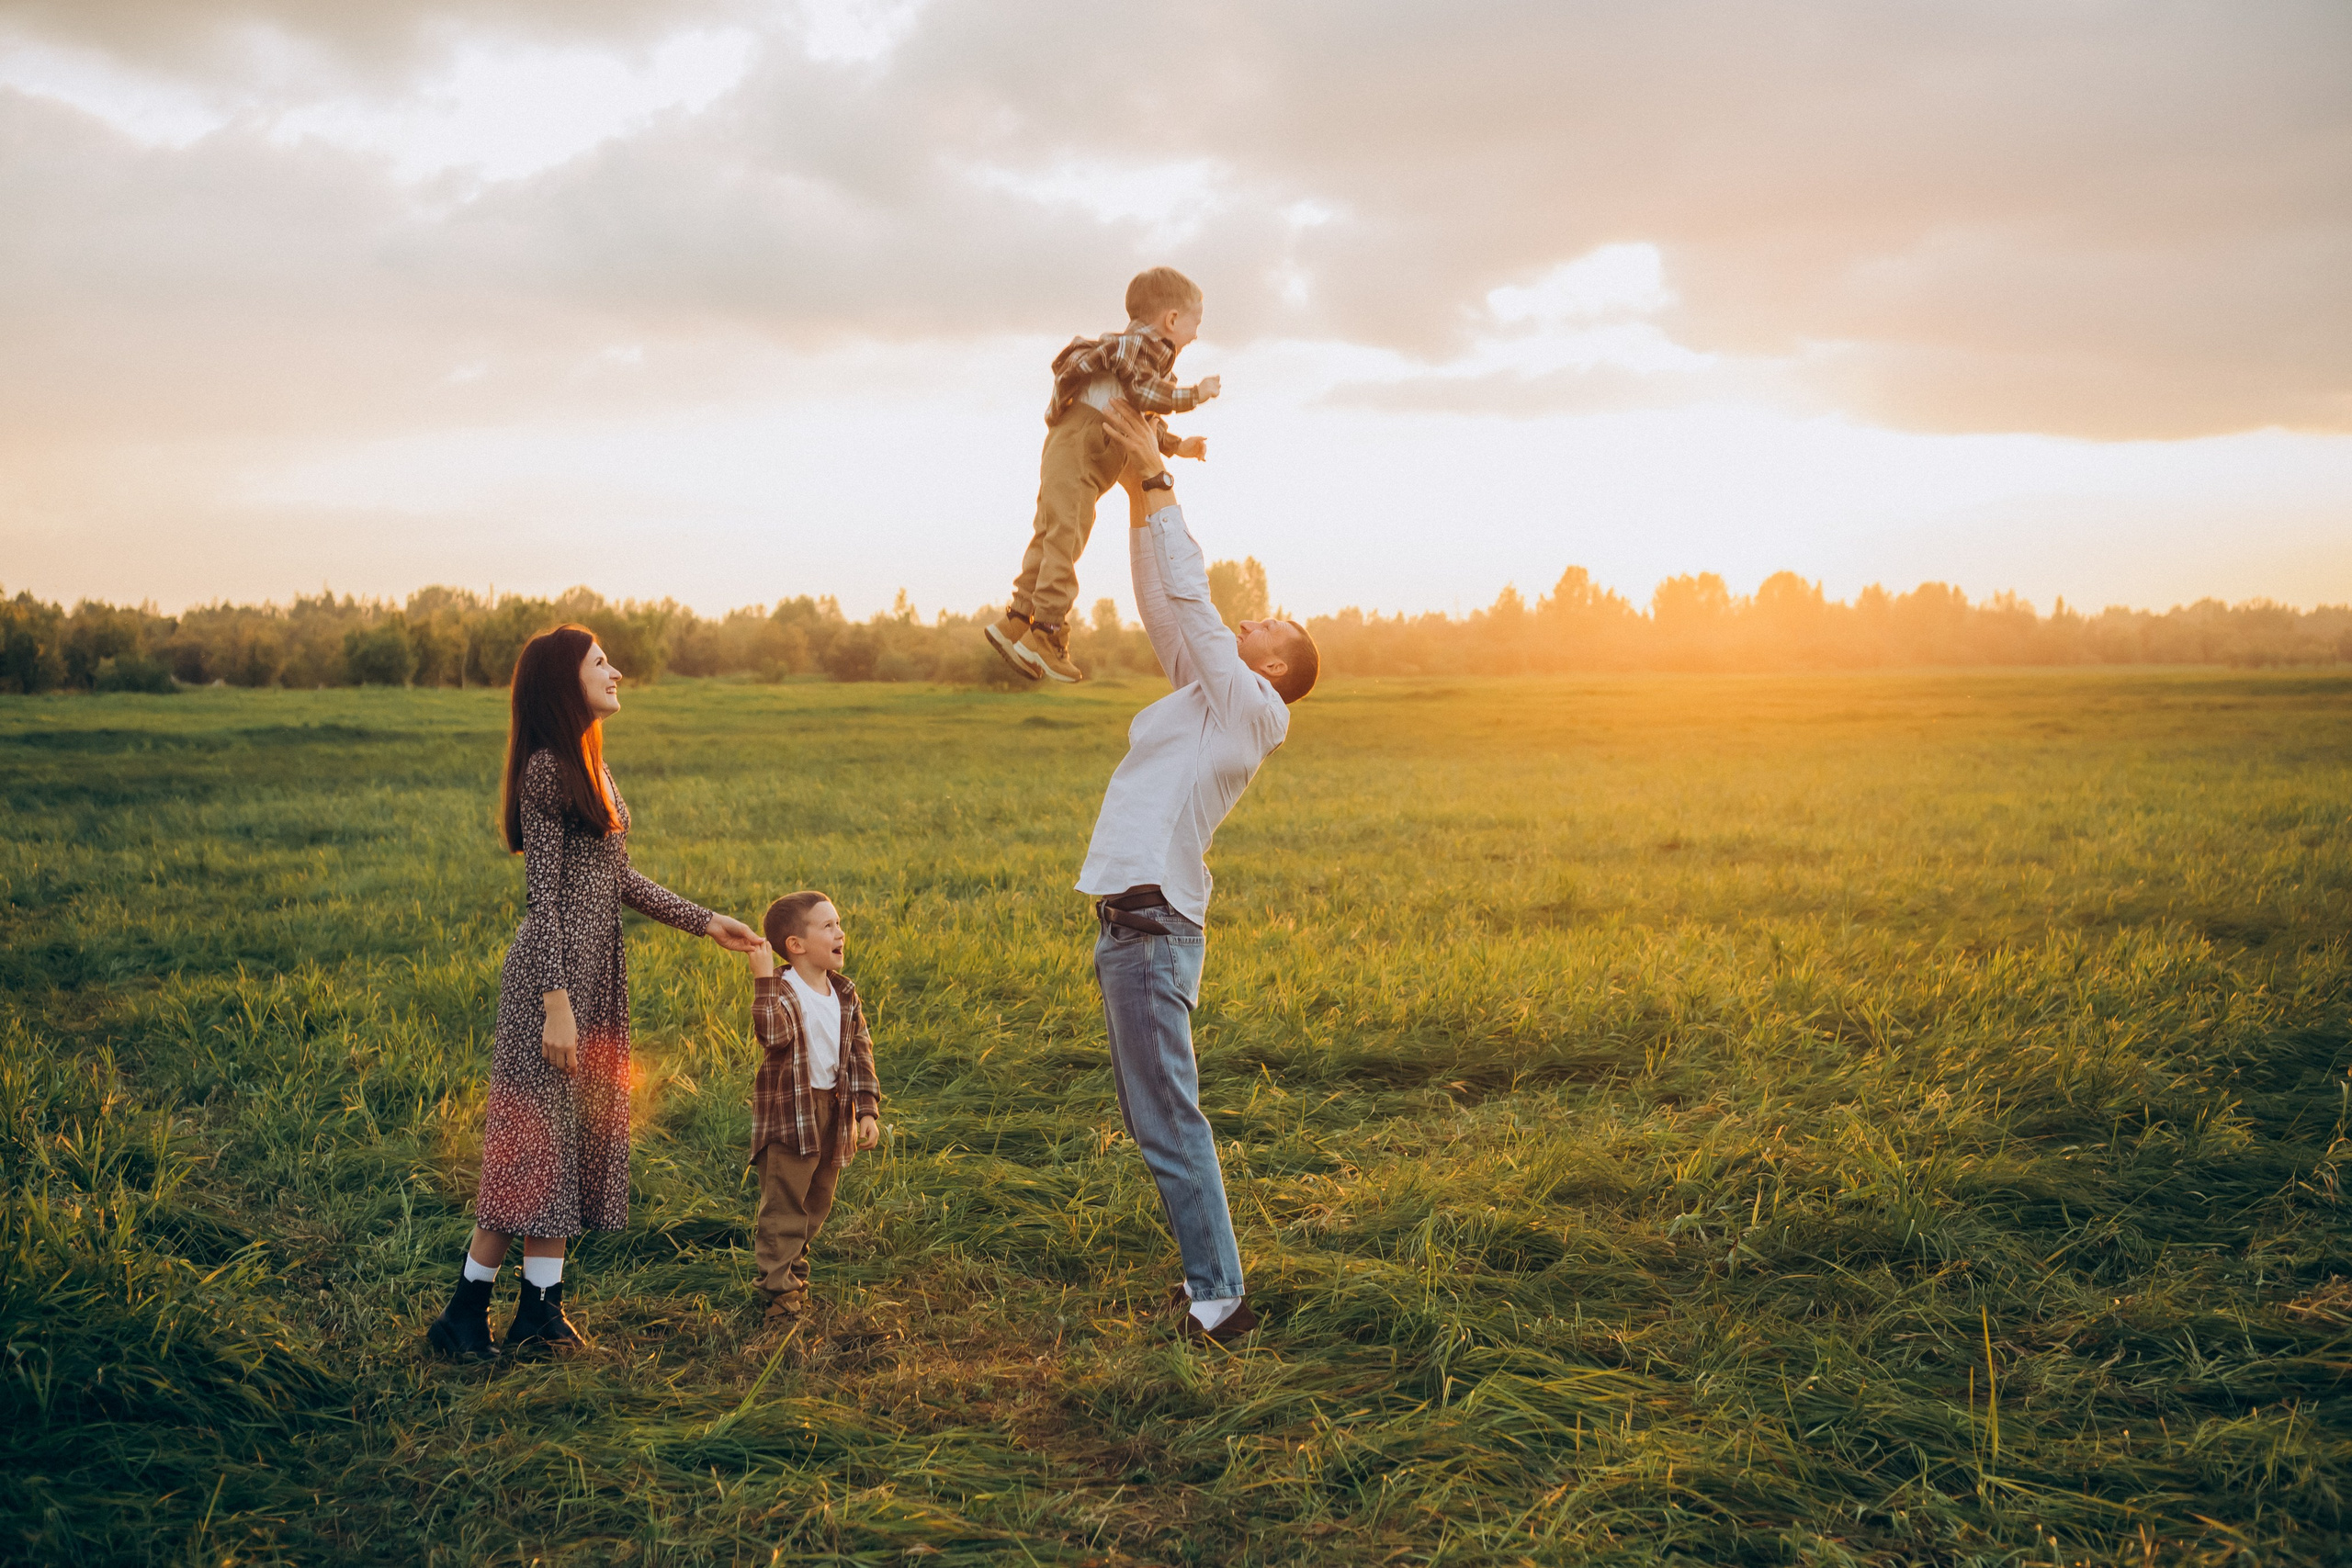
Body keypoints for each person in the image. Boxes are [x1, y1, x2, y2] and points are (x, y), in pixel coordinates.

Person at [425, 624, 762, 1360]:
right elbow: (540, 900)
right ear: (562, 682)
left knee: (563, 1153)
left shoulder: (590, 767)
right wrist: (555, 1003)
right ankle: (461, 1315)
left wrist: (707, 922)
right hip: (551, 991)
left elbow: (618, 878)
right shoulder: (547, 769)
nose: (617, 672)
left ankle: (540, 1316)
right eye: (601, 662)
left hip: (592, 981)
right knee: (529, 1157)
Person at [1074, 397, 1319, 1345]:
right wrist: (1140, 495)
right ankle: (1211, 1289)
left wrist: (1162, 480)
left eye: (1273, 624)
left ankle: (1219, 1303)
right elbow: (1162, 599)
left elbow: (1199, 607)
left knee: (1170, 1124)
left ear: (1277, 666)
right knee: (1162, 1123)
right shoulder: (1203, 697)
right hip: (1131, 928)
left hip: (1150, 932)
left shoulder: (1255, 709)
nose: (1255, 619)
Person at [985, 265, 1220, 684]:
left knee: (1052, 532)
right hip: (1083, 445)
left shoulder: (1142, 365)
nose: (1197, 334)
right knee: (1067, 536)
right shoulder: (1134, 349)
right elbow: (1148, 396)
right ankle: (1048, 633)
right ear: (1171, 320)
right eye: (1194, 323)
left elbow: (1140, 416)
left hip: (1081, 448)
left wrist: (1177, 446)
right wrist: (1194, 396)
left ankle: (1017, 622)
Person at [745, 891, 882, 1325]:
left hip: (834, 1114)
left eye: (839, 923)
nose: (840, 932)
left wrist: (866, 1109)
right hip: (791, 1117)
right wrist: (763, 980)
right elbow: (772, 1035)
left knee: (817, 1202)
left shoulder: (844, 993)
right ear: (796, 945)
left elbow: (860, 1052)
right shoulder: (784, 990)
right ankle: (779, 1296)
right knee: (785, 1206)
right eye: (828, 926)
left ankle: (793, 1272)